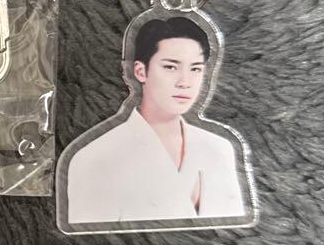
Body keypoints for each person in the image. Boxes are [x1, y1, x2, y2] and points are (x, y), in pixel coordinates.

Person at [66, 16, 247, 224]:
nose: (185, 82)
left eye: (195, 69)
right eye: (170, 67)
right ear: (140, 71)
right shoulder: (96, 159)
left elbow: (237, 232)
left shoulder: (219, 150)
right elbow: (94, 241)